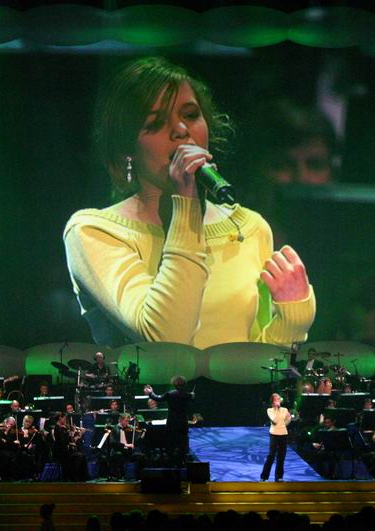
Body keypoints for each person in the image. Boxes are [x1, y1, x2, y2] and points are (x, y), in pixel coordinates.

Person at [63, 56, 316, 350]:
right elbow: (167, 340)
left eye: (191, 115)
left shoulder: (249, 228)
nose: (181, 130)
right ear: (126, 152)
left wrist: (291, 321)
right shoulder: (95, 232)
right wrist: (187, 204)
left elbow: (259, 363)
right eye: (156, 123)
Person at [145, 375, 194, 464]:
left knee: (170, 441)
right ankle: (182, 461)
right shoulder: (188, 395)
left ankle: (170, 460)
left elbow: (157, 398)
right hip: (183, 422)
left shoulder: (170, 394)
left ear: (174, 384)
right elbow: (192, 402)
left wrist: (151, 393)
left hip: (172, 421)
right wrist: (192, 396)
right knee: (182, 441)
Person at [261, 393, 291, 482]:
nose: (278, 401)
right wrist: (277, 409)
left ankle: (279, 477)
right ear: (272, 402)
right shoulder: (270, 410)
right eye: (276, 399)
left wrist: (284, 424)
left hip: (283, 434)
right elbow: (275, 420)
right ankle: (264, 477)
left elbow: (289, 418)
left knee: (281, 456)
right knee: (271, 455)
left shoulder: (284, 409)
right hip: (274, 434)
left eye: (279, 399)